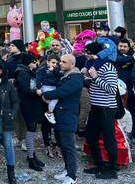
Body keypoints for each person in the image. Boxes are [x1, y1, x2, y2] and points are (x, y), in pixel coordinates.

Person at [42, 54, 84, 184]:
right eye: (60, 61)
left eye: (64, 62)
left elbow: (61, 92)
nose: (60, 63)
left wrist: (45, 94)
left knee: (69, 147)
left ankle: (73, 176)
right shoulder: (66, 75)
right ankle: (67, 170)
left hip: (68, 116)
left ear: (72, 64)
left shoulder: (75, 78)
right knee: (62, 145)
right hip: (60, 115)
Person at [83, 41, 119, 179]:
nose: (86, 56)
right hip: (96, 106)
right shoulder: (94, 65)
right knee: (91, 136)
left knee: (109, 139)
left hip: (107, 107)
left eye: (88, 53)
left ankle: (112, 169)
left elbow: (111, 89)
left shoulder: (108, 66)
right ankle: (99, 165)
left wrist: (95, 77)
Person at [15, 53, 46, 171]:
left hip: (31, 104)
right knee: (30, 130)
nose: (36, 64)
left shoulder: (26, 72)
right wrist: (38, 92)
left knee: (32, 130)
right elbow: (26, 90)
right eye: (34, 62)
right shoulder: (22, 73)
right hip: (28, 105)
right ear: (29, 63)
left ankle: (32, 155)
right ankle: (31, 157)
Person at [116, 38, 135, 140]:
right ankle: (121, 135)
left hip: (132, 90)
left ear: (129, 47)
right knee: (120, 113)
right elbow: (118, 60)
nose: (122, 48)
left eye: (125, 46)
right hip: (118, 91)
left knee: (134, 113)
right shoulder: (114, 55)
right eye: (120, 46)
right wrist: (132, 59)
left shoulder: (134, 56)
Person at [36, 54, 61, 124]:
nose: (54, 65)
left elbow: (60, 75)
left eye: (56, 63)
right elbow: (38, 79)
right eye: (53, 62)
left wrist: (54, 71)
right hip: (46, 86)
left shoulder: (57, 70)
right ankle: (49, 113)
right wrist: (38, 88)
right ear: (47, 62)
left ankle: (50, 112)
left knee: (53, 100)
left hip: (54, 87)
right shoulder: (42, 69)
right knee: (54, 99)